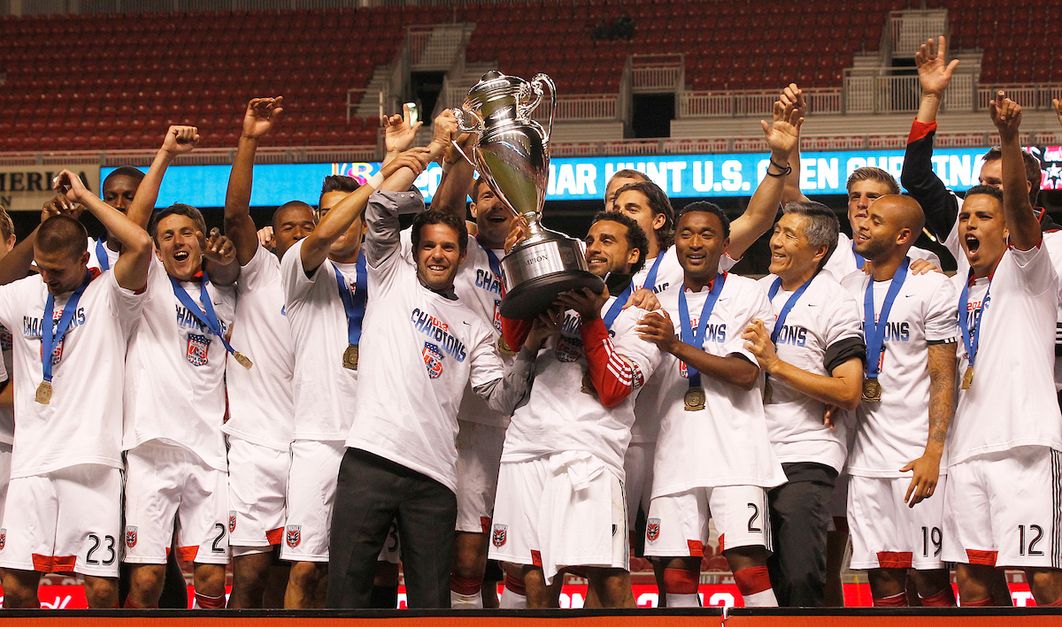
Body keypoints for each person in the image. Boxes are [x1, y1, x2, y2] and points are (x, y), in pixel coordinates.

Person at [327, 131, 538, 609]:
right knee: (347, 593)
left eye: (448, 248)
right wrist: (419, 158)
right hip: (371, 460)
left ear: (462, 255)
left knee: (432, 606)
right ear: (414, 251)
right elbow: (379, 212)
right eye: (429, 247)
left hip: (435, 479)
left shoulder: (473, 325)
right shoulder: (389, 276)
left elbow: (500, 397)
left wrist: (529, 352)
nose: (438, 254)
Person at [491, 212, 662, 608]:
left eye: (608, 240)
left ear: (634, 254)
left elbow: (614, 387)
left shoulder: (645, 317)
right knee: (534, 578)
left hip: (590, 455)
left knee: (608, 578)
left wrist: (590, 320)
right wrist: (517, 261)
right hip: (526, 446)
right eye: (590, 239)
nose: (595, 247)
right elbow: (513, 336)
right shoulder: (557, 298)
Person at [0, 170, 151, 608]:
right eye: (42, 269)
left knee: (102, 589)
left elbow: (140, 244)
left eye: (57, 270)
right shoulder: (25, 292)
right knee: (14, 587)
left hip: (93, 461)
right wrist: (39, 235)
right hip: (32, 462)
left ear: (83, 258)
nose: (47, 278)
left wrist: (85, 196)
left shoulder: (111, 295)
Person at [940, 95, 1062, 607]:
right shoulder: (951, 286)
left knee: (1045, 581)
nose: (970, 224)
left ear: (1008, 225)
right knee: (970, 582)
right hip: (965, 448)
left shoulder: (1028, 270)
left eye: (983, 216)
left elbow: (1017, 201)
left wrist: (1010, 140)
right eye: (965, 216)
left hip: (1025, 445)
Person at [636, 202, 785, 608]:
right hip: (674, 452)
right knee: (676, 574)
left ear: (724, 244)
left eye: (707, 235)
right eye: (686, 234)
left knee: (748, 567)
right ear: (675, 243)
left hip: (734, 450)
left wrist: (675, 345)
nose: (695, 243)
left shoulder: (747, 294)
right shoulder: (656, 300)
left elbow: (745, 373)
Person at [279, 160, 411, 607]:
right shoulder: (299, 268)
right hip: (318, 438)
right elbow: (318, 237)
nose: (334, 222)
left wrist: (425, 154)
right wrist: (374, 181)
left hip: (377, 441)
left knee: (377, 571)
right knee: (305, 567)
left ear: (363, 220)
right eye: (327, 212)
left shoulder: (389, 268)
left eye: (346, 212)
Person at [121, 126, 242, 609]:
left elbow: (234, 264)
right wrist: (166, 153)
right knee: (148, 582)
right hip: (151, 447)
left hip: (210, 452)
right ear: (155, 245)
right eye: (166, 235)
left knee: (212, 579)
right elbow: (134, 222)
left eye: (186, 232)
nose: (176, 241)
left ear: (201, 239)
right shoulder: (144, 283)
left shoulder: (225, 292)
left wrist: (225, 263)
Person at [741, 201, 866, 607]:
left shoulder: (836, 301)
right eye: (777, 231)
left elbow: (848, 391)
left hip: (805, 451)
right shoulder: (754, 292)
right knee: (764, 579)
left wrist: (775, 364)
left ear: (818, 252)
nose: (775, 241)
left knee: (799, 574)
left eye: (789, 235)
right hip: (752, 453)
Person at [222, 96, 317, 608]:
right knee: (253, 576)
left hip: (314, 447)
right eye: (289, 227)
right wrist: (251, 138)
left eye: (309, 226)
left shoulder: (335, 282)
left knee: (304, 578)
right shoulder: (259, 271)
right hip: (257, 447)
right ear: (272, 236)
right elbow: (235, 211)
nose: (300, 235)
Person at [840, 194, 958, 607]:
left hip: (916, 459)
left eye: (875, 219)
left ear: (903, 236)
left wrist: (934, 453)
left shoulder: (930, 285)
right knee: (883, 580)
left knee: (930, 579)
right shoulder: (847, 287)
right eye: (862, 217)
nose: (862, 224)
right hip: (866, 461)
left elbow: (944, 375)